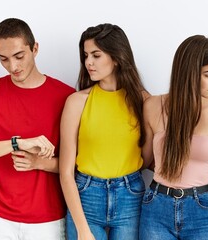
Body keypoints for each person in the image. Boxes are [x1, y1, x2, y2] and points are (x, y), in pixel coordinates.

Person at [0, 18, 75, 239]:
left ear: (35, 48)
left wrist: (40, 163)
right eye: (4, 59)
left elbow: (80, 165)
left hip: (48, 219)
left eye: (19, 56)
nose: (13, 67)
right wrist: (16, 143)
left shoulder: (66, 96)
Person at [139, 35, 208, 240]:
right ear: (188, 73)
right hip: (156, 206)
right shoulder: (153, 106)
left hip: (202, 210)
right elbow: (145, 162)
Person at [59, 23, 150, 240]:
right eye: (86, 55)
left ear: (117, 57)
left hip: (130, 195)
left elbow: (147, 159)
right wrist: (82, 229)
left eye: (96, 55)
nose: (88, 62)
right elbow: (65, 172)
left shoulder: (143, 101)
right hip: (86, 195)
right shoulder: (76, 102)